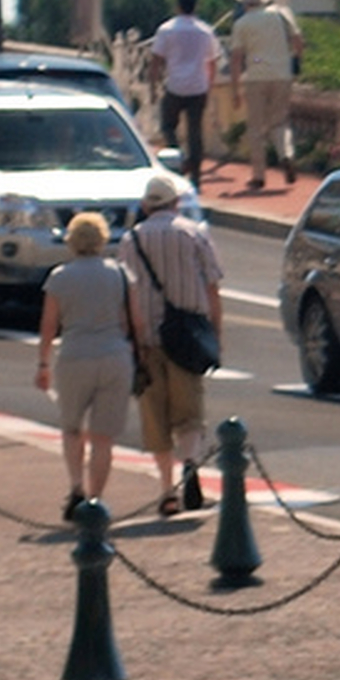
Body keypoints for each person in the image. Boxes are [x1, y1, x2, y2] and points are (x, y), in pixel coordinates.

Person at [121, 174, 224, 517]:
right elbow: (213, 289)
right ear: (176, 203)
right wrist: (216, 335)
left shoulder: (131, 240)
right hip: (188, 336)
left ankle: (166, 491)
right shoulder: (194, 234)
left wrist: (132, 342)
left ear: (147, 206)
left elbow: (127, 295)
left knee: (156, 419)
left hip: (148, 339)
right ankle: (191, 464)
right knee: (189, 413)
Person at [35, 212, 140, 522]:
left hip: (74, 356)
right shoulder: (120, 274)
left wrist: (43, 363)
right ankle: (96, 499)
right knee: (103, 437)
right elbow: (134, 320)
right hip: (114, 356)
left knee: (71, 428)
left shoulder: (59, 277)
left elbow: (49, 325)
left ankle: (76, 488)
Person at [226, 0, 302, 191]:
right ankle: (286, 154)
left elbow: (236, 59)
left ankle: (259, 175)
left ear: (244, 2)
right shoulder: (281, 14)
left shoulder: (242, 24)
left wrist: (235, 89)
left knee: (256, 128)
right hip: (282, 74)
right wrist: (292, 59)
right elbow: (298, 41)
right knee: (280, 122)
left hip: (256, 75)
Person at [147, 0, 223, 186]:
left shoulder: (167, 29)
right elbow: (213, 61)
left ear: (178, 6)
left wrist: (153, 87)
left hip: (175, 85)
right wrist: (209, 84)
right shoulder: (205, 31)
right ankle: (196, 174)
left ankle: (177, 158)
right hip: (198, 86)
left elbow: (155, 60)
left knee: (167, 125)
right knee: (195, 132)